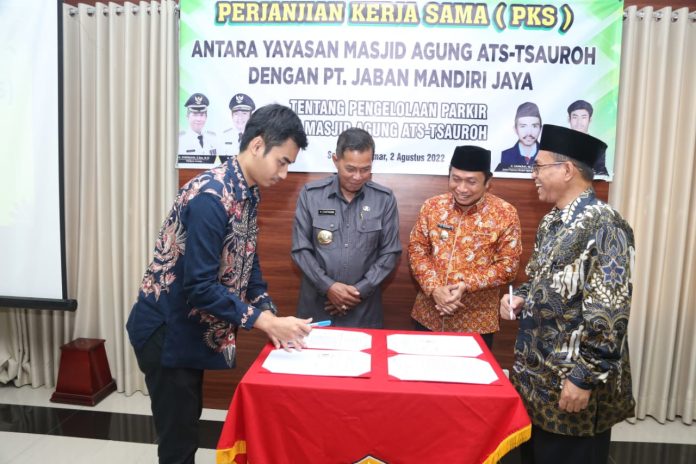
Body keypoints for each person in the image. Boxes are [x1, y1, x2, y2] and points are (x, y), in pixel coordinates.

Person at [127, 104, 311, 464]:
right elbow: (200, 286)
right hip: (166, 332)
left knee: (187, 425)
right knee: (178, 441)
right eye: (282, 161)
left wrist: (269, 314)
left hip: (187, 330)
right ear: (257, 146)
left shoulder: (246, 190)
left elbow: (247, 260)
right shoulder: (212, 197)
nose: (285, 174)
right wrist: (264, 322)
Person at [500, 124, 635, 464]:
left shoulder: (606, 224)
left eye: (540, 166)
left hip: (570, 386)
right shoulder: (552, 222)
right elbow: (542, 279)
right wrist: (522, 296)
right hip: (536, 381)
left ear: (566, 169)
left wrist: (583, 379)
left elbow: (610, 312)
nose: (534, 174)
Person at [409, 145, 522, 349]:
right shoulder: (432, 207)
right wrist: (434, 289)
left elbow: (508, 267)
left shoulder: (505, 214)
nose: (461, 188)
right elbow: (417, 251)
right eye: (456, 179)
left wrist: (465, 285)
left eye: (471, 181)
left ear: (488, 182)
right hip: (428, 317)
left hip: (476, 323)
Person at [291, 127, 401, 328]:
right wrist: (329, 287)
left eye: (365, 169)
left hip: (363, 311)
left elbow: (390, 253)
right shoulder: (311, 195)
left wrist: (357, 292)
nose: (358, 176)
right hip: (317, 309)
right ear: (335, 160)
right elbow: (301, 249)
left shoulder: (384, 199)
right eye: (350, 169)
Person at [495, 102, 542, 173]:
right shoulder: (506, 155)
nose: (529, 132)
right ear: (515, 129)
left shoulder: (547, 156)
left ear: (540, 128)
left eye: (534, 126)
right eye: (523, 126)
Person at [567, 99, 608, 175]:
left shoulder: (598, 147)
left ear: (590, 120)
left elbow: (601, 173)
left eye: (583, 117)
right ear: (569, 119)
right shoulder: (558, 144)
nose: (579, 122)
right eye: (575, 117)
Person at [177, 92, 219, 166]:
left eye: (202, 115)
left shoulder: (213, 138)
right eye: (195, 115)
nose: (199, 119)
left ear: (206, 117)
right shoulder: (179, 140)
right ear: (187, 116)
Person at [219, 93, 256, 163]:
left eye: (244, 113)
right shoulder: (223, 137)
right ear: (232, 116)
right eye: (236, 114)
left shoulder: (256, 136)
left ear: (250, 116)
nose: (240, 118)